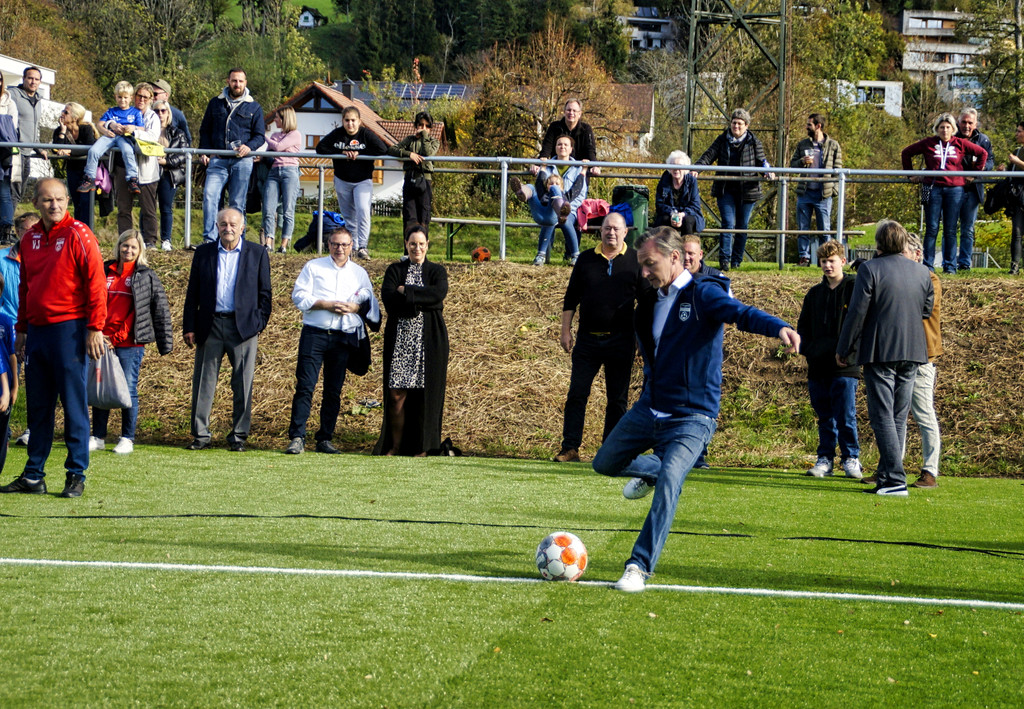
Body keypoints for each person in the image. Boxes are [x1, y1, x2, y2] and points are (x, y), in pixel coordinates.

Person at [592, 228, 799, 592]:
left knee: (671, 481)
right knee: (604, 462)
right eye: (641, 265)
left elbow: (741, 313)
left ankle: (638, 567)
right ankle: (654, 469)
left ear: (674, 258)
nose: (644, 272)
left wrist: (778, 327)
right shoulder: (650, 299)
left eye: (649, 264)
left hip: (693, 416)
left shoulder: (704, 293)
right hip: (650, 408)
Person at [0, 178, 106, 498]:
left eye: (60, 199)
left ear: (68, 201)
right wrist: (21, 328)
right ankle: (34, 474)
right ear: (35, 203)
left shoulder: (79, 234)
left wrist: (95, 327)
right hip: (37, 332)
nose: (54, 205)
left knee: (73, 405)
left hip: (69, 330)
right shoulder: (30, 238)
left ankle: (76, 474)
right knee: (39, 407)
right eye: (47, 200)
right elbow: (25, 287)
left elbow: (96, 282)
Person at [836, 220, 933, 497]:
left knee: (882, 416)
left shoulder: (870, 269)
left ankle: (894, 480)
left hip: (881, 349)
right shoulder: (922, 271)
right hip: (913, 349)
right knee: (898, 416)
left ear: (879, 243)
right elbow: (926, 310)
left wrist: (844, 349)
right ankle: (888, 476)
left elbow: (857, 313)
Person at [553, 212, 648, 463]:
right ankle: (570, 448)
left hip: (621, 340)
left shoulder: (636, 260)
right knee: (577, 394)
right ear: (600, 230)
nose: (611, 233)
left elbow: (647, 302)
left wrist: (642, 337)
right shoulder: (586, 259)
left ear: (626, 232)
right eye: (607, 228)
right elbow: (571, 297)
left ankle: (609, 452)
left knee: (617, 400)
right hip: (587, 340)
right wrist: (565, 331)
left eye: (616, 229)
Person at [183, 208, 272, 451]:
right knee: (203, 383)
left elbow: (265, 294)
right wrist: (189, 326)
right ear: (217, 227)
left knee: (242, 384)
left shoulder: (257, 253)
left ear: (242, 228)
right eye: (223, 224)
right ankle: (200, 435)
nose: (228, 228)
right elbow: (192, 293)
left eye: (233, 224)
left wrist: (257, 324)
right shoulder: (204, 253)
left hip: (243, 328)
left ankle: (238, 437)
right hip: (209, 325)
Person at [286, 226, 380, 455]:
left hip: (342, 337)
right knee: (305, 386)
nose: (340, 248)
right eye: (335, 244)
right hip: (314, 334)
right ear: (328, 245)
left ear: (351, 246)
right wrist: (325, 304)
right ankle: (297, 437)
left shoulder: (359, 273)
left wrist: (355, 307)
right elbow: (299, 296)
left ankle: (325, 438)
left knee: (333, 390)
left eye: (344, 245)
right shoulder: (313, 267)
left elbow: (369, 301)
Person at [88, 230, 172, 456]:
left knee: (128, 388)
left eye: (134, 247)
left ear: (140, 250)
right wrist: (97, 333)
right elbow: (93, 301)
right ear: (118, 246)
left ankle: (127, 438)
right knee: (101, 387)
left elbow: (147, 311)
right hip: (101, 340)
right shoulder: (104, 269)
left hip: (128, 343)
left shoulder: (145, 275)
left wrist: (116, 338)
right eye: (125, 245)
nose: (128, 250)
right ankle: (98, 436)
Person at [373, 225, 449, 456]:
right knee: (396, 394)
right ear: (406, 244)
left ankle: (424, 447)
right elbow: (389, 300)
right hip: (401, 340)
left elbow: (438, 296)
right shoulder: (394, 270)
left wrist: (406, 291)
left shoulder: (437, 271)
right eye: (413, 243)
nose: (417, 248)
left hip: (430, 340)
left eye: (421, 244)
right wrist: (420, 300)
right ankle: (395, 446)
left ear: (427, 245)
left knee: (426, 396)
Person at [797, 239, 862, 479]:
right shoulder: (814, 294)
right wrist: (810, 351)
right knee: (825, 417)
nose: (827, 266)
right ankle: (825, 459)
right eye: (824, 261)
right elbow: (803, 327)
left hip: (845, 365)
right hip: (818, 366)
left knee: (846, 416)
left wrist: (850, 353)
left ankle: (851, 458)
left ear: (843, 261)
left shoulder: (854, 289)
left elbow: (861, 325)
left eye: (832, 261)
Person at [886, 232, 942, 490]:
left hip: (922, 354)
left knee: (923, 412)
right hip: (897, 352)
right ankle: (891, 468)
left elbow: (920, 309)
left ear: (917, 254)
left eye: (904, 252)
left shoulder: (930, 278)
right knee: (894, 414)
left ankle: (930, 470)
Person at [901, 113, 988, 273]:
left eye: (948, 127)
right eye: (942, 127)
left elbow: (983, 153)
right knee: (932, 228)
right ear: (937, 129)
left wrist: (973, 175)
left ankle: (950, 266)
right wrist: (911, 174)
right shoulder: (928, 143)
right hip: (933, 188)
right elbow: (906, 153)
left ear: (953, 129)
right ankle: (928, 266)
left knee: (950, 229)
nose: (945, 130)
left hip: (954, 190)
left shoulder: (960, 143)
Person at [695, 109, 775, 272]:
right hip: (726, 189)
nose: (736, 126)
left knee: (742, 226)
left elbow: (762, 161)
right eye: (733, 123)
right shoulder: (722, 139)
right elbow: (708, 156)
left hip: (747, 190)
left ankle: (737, 260)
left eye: (739, 123)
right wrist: (696, 169)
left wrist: (768, 172)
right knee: (728, 223)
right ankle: (724, 260)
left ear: (746, 125)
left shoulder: (753, 142)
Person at [198, 68, 266, 242]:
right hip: (218, 160)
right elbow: (205, 130)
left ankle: (237, 241)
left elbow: (259, 136)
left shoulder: (254, 106)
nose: (237, 84)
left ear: (245, 83)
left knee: (237, 202)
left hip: (241, 161)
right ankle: (210, 240)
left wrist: (249, 147)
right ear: (228, 81)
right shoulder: (215, 103)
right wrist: (205, 151)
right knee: (210, 197)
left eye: (240, 81)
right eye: (234, 80)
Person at [316, 106, 388, 260]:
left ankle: (363, 246)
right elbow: (320, 148)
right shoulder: (337, 134)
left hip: (363, 180)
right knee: (349, 216)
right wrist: (341, 152)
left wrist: (360, 153)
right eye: (347, 120)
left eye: (353, 120)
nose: (350, 124)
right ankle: (353, 247)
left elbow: (382, 148)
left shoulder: (366, 134)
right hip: (342, 179)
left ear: (359, 121)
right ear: (342, 121)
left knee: (363, 210)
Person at [511, 135, 587, 266]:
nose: (562, 147)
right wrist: (542, 168)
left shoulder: (577, 168)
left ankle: (546, 255)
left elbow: (578, 191)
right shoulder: (547, 165)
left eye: (565, 144)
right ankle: (522, 192)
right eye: (559, 144)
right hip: (545, 208)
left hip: (567, 208)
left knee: (555, 195)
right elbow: (540, 188)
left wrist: (584, 170)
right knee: (532, 188)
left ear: (571, 149)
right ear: (555, 148)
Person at [790, 113, 843, 267]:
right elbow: (792, 164)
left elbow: (838, 169)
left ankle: (825, 259)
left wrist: (833, 190)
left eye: (809, 125)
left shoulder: (833, 145)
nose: (806, 127)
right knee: (803, 228)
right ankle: (804, 258)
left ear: (818, 126)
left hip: (823, 194)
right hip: (805, 192)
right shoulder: (803, 144)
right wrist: (802, 161)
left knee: (824, 229)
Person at [78, 81, 146, 196]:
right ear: (115, 97)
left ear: (131, 98)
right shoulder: (111, 111)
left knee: (128, 152)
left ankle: (132, 179)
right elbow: (99, 124)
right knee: (93, 151)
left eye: (125, 97)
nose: (122, 100)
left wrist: (132, 128)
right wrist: (106, 131)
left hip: (125, 137)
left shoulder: (135, 112)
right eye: (120, 97)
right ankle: (89, 178)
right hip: (110, 136)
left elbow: (142, 128)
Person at [113, 83, 160, 246]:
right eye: (139, 96)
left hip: (145, 169)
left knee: (148, 209)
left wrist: (134, 131)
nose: (142, 99)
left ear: (151, 99)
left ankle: (150, 242)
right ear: (134, 97)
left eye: (145, 97)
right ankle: (125, 241)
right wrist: (113, 127)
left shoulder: (153, 117)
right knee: (123, 209)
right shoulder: (123, 111)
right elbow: (108, 127)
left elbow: (153, 137)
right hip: (123, 167)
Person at [4, 213, 36, 448]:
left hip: (37, 327)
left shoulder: (46, 257)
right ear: (17, 232)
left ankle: (33, 429)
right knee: (5, 378)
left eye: (36, 228)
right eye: (27, 229)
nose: (32, 233)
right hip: (7, 328)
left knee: (36, 382)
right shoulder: (2, 259)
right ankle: (3, 428)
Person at [954, 109, 994, 273]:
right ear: (959, 123)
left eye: (970, 123)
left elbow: (990, 160)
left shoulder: (983, 140)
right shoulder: (951, 137)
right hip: (952, 189)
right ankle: (949, 264)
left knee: (968, 229)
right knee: (949, 228)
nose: (967, 126)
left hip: (973, 190)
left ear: (975, 124)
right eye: (964, 122)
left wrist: (981, 169)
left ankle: (964, 264)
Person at [388, 111, 439, 235]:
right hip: (410, 179)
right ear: (416, 126)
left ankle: (422, 244)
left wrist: (424, 136)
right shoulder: (409, 140)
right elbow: (392, 149)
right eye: (420, 125)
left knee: (424, 217)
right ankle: (408, 246)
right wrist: (409, 154)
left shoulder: (434, 141)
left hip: (425, 180)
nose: (423, 128)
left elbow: (428, 153)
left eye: (427, 126)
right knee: (409, 216)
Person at [262, 106, 303, 253]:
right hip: (274, 171)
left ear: (285, 119)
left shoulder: (295, 134)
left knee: (288, 210)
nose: (275, 120)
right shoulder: (275, 135)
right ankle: (268, 242)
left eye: (277, 117)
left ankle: (284, 245)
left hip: (289, 172)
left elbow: (278, 147)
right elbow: (269, 152)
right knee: (268, 209)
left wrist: (264, 136)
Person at [51, 102, 97, 229]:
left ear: (75, 117)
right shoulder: (59, 130)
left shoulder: (85, 129)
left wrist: (70, 151)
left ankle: (87, 231)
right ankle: (77, 230)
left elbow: (90, 147)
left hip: (87, 171)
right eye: (63, 111)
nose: (62, 114)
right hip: (72, 170)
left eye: (66, 112)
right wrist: (62, 132)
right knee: (77, 203)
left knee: (86, 202)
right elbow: (56, 149)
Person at [153, 99, 189, 251]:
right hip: (149, 172)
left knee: (166, 208)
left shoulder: (177, 133)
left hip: (169, 174)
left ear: (168, 113)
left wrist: (166, 161)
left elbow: (184, 154)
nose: (160, 114)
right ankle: (147, 239)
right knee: (147, 208)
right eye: (156, 111)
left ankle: (166, 240)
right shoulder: (147, 131)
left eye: (163, 110)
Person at [6, 67, 46, 202]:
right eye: (30, 78)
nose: (33, 82)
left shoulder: (38, 100)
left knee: (19, 192)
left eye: (36, 79)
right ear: (23, 79)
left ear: (40, 82)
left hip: (27, 152)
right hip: (15, 151)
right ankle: (8, 216)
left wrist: (39, 148)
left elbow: (34, 128)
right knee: (13, 192)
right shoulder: (13, 95)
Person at [532, 99, 600, 176]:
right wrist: (538, 164)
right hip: (556, 172)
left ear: (579, 114)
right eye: (569, 110)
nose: (571, 113)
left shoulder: (586, 129)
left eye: (574, 111)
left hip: (578, 172)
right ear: (564, 112)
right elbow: (546, 148)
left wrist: (594, 166)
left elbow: (590, 150)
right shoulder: (554, 127)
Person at [654, 150, 705, 234]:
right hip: (669, 213)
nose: (676, 169)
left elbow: (695, 206)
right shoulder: (664, 179)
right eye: (673, 165)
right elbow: (659, 204)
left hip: (688, 214)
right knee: (664, 220)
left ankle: (687, 242)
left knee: (687, 221)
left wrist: (682, 214)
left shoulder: (692, 181)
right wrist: (673, 214)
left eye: (680, 166)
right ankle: (666, 243)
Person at [998, 121, 1024, 275]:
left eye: (1019, 131)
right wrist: (1004, 170)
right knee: (1017, 231)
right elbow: (1013, 175)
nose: (1016, 134)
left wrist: (1017, 162)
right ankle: (1014, 266)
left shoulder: (1017, 156)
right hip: (1018, 197)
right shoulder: (1017, 150)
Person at [0, 73, 19, 242]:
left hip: (3, 153)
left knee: (4, 192)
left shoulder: (9, 102)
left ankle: (6, 230)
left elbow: (12, 127)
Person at [0, 271, 15, 478]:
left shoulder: (5, 320)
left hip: (3, 387)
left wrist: (13, 388)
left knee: (2, 434)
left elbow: (10, 355)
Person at [151, 79, 192, 146]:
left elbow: (187, 139)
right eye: (151, 94)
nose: (152, 97)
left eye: (155, 94)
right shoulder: (147, 112)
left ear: (166, 95)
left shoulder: (177, 114)